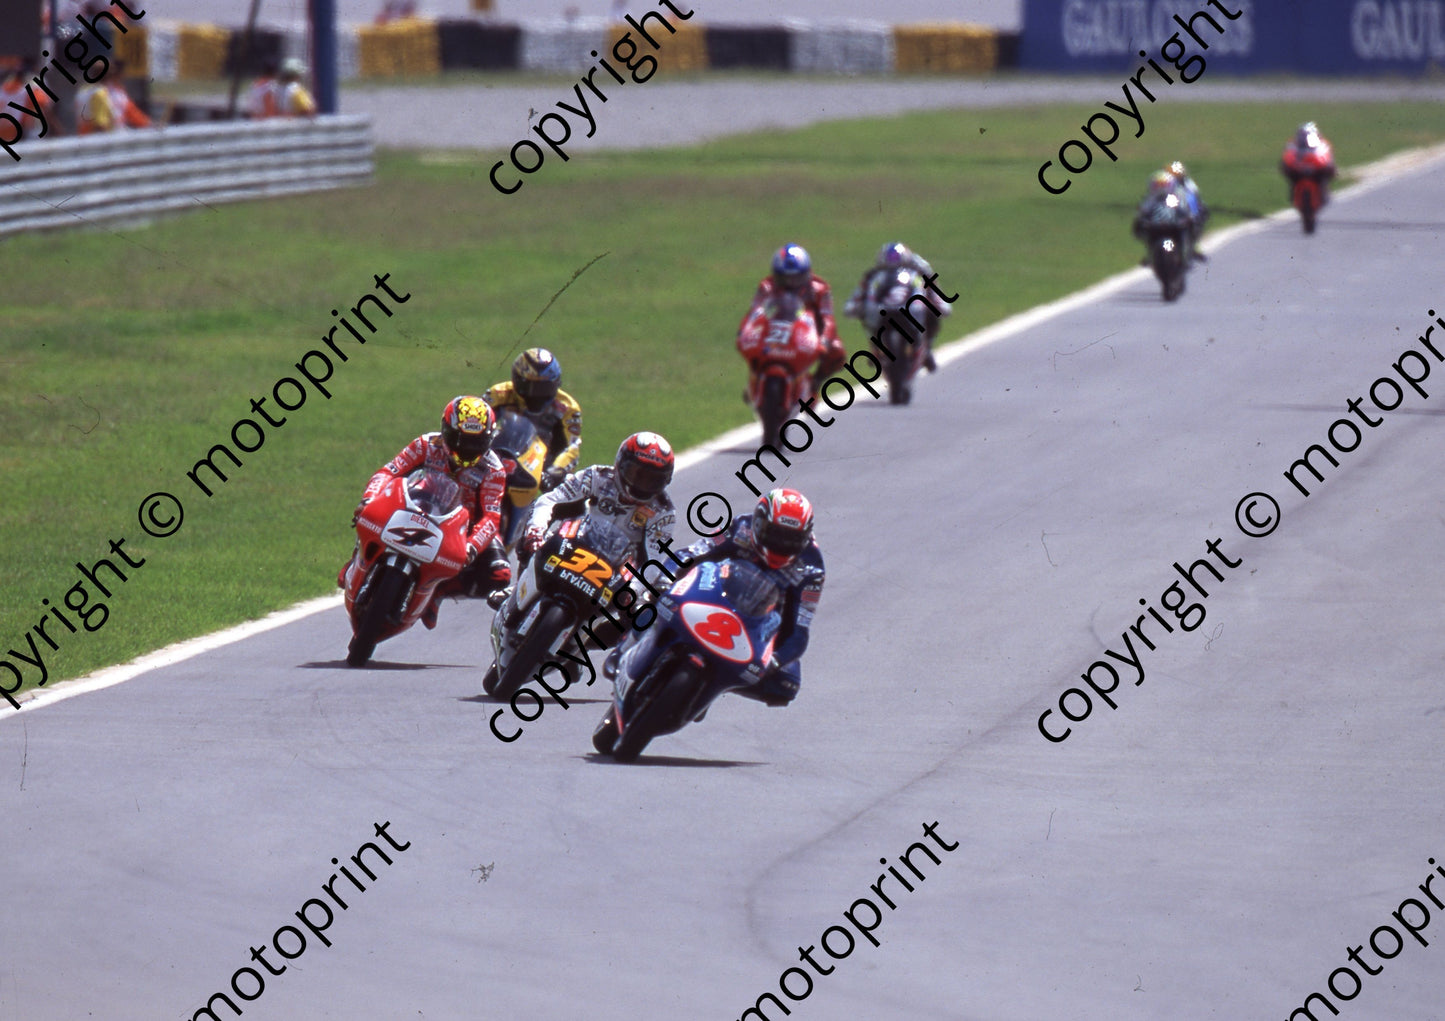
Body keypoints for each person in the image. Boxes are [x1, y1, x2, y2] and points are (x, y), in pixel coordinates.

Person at [602, 487, 824, 713]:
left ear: (805, 537)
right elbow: (692, 552)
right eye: (774, 534)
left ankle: (713, 684)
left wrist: (775, 660)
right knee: (658, 594)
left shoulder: (812, 569)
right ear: (758, 524)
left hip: (759, 623)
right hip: (712, 592)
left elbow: (799, 628)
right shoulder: (740, 528)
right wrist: (667, 577)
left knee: (786, 683)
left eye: (790, 540)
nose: (781, 545)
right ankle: (625, 648)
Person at [344, 396, 512, 628]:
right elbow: (389, 472)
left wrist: (472, 546)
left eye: (476, 443)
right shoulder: (425, 444)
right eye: (460, 440)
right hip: (416, 506)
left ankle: (437, 591)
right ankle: (358, 557)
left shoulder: (494, 469)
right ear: (446, 430)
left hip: (463, 527)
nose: (466, 449)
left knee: (500, 574)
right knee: (369, 512)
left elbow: (492, 517)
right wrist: (369, 499)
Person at [742, 244, 846, 388]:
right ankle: (756, 381)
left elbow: (828, 319)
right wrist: (746, 330)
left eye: (796, 278)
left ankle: (816, 381)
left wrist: (825, 341)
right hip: (775, 325)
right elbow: (755, 311)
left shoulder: (820, 289)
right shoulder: (767, 286)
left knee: (837, 350)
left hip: (810, 330)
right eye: (784, 278)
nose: (790, 283)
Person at [482, 348, 583, 491]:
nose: (537, 395)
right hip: (503, 451)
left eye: (545, 388)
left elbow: (571, 448)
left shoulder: (568, 407)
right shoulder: (499, 393)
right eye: (530, 388)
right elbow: (479, 419)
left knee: (570, 489)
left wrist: (553, 473)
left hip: (544, 461)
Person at [843, 241, 950, 373]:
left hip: (912, 305)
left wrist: (939, 303)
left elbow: (933, 287)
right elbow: (862, 290)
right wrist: (854, 304)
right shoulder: (874, 274)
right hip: (884, 308)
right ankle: (876, 347)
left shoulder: (920, 267)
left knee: (933, 313)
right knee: (864, 314)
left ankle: (926, 348)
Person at [1133, 170, 1194, 263]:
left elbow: (1183, 211)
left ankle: (1183, 255)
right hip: (1156, 227)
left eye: (1163, 185)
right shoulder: (1151, 200)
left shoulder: (1173, 198)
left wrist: (1186, 219)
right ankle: (1151, 255)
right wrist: (1141, 222)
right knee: (1149, 239)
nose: (1161, 188)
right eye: (1158, 185)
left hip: (1173, 227)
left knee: (1183, 235)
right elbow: (1143, 213)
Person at [75, 60, 151, 135]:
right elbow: (101, 124)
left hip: (85, 138)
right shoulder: (107, 94)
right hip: (108, 139)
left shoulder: (82, 92)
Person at [1280, 121, 1336, 203]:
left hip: (1316, 167)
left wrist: (1325, 163)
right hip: (1299, 168)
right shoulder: (1293, 143)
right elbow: (1288, 155)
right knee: (1286, 169)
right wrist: (1292, 164)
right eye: (1303, 134)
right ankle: (1294, 192)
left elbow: (1326, 155)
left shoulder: (1321, 143)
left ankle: (1324, 191)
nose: (1305, 137)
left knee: (1329, 169)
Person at [1164, 161, 1209, 261]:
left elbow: (1194, 197)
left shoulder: (1188, 184)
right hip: (1171, 211)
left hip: (1185, 211)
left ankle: (1193, 247)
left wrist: (1198, 209)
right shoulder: (1166, 184)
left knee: (1196, 224)